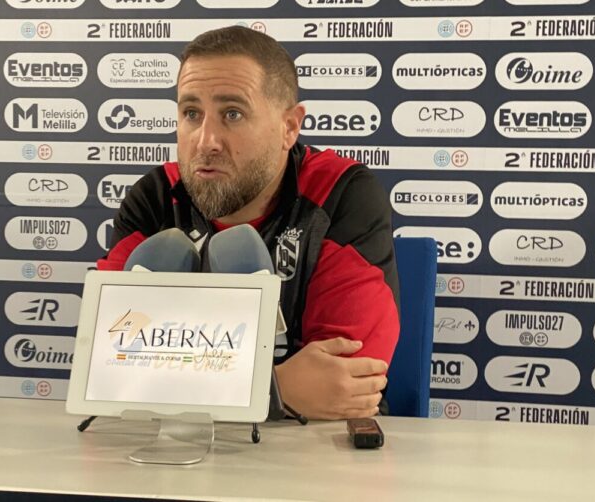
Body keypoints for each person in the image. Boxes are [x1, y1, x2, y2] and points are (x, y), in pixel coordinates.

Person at [97, 25, 399, 420]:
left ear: (289, 127)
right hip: (172, 446)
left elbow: (346, 382)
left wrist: (175, 384)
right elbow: (109, 367)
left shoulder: (340, 193)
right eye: (191, 113)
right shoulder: (155, 196)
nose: (206, 141)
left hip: (311, 447)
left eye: (232, 114)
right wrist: (275, 390)